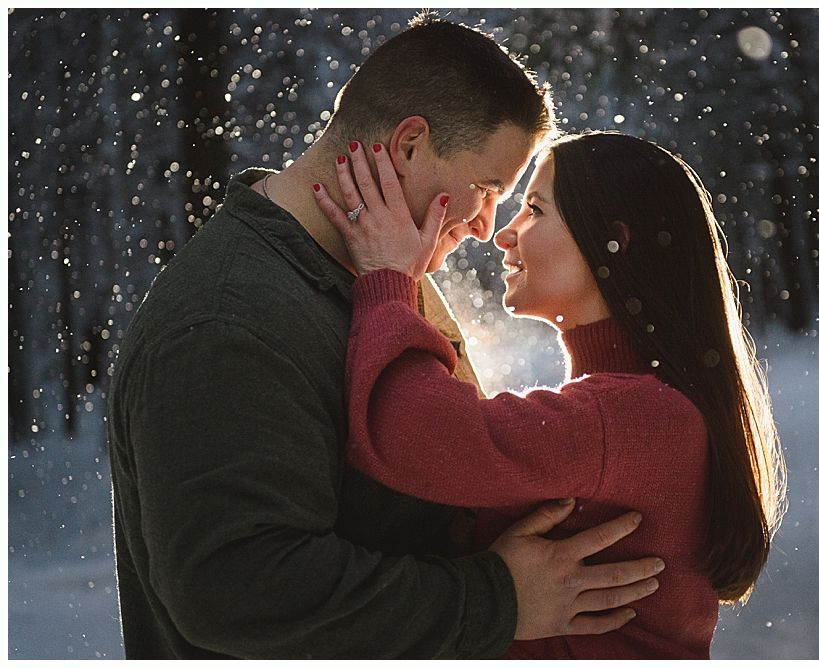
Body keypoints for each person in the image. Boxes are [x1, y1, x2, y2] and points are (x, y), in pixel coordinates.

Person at [107, 14, 665, 660]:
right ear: (408, 147)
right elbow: (238, 591)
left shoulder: (391, 272)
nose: (488, 227)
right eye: (487, 190)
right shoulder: (226, 322)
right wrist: (498, 599)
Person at [313, 130, 788, 659]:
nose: (503, 235)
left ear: (615, 241)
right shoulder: (634, 408)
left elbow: (411, 432)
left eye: (534, 210)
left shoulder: (631, 416)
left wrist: (389, 278)